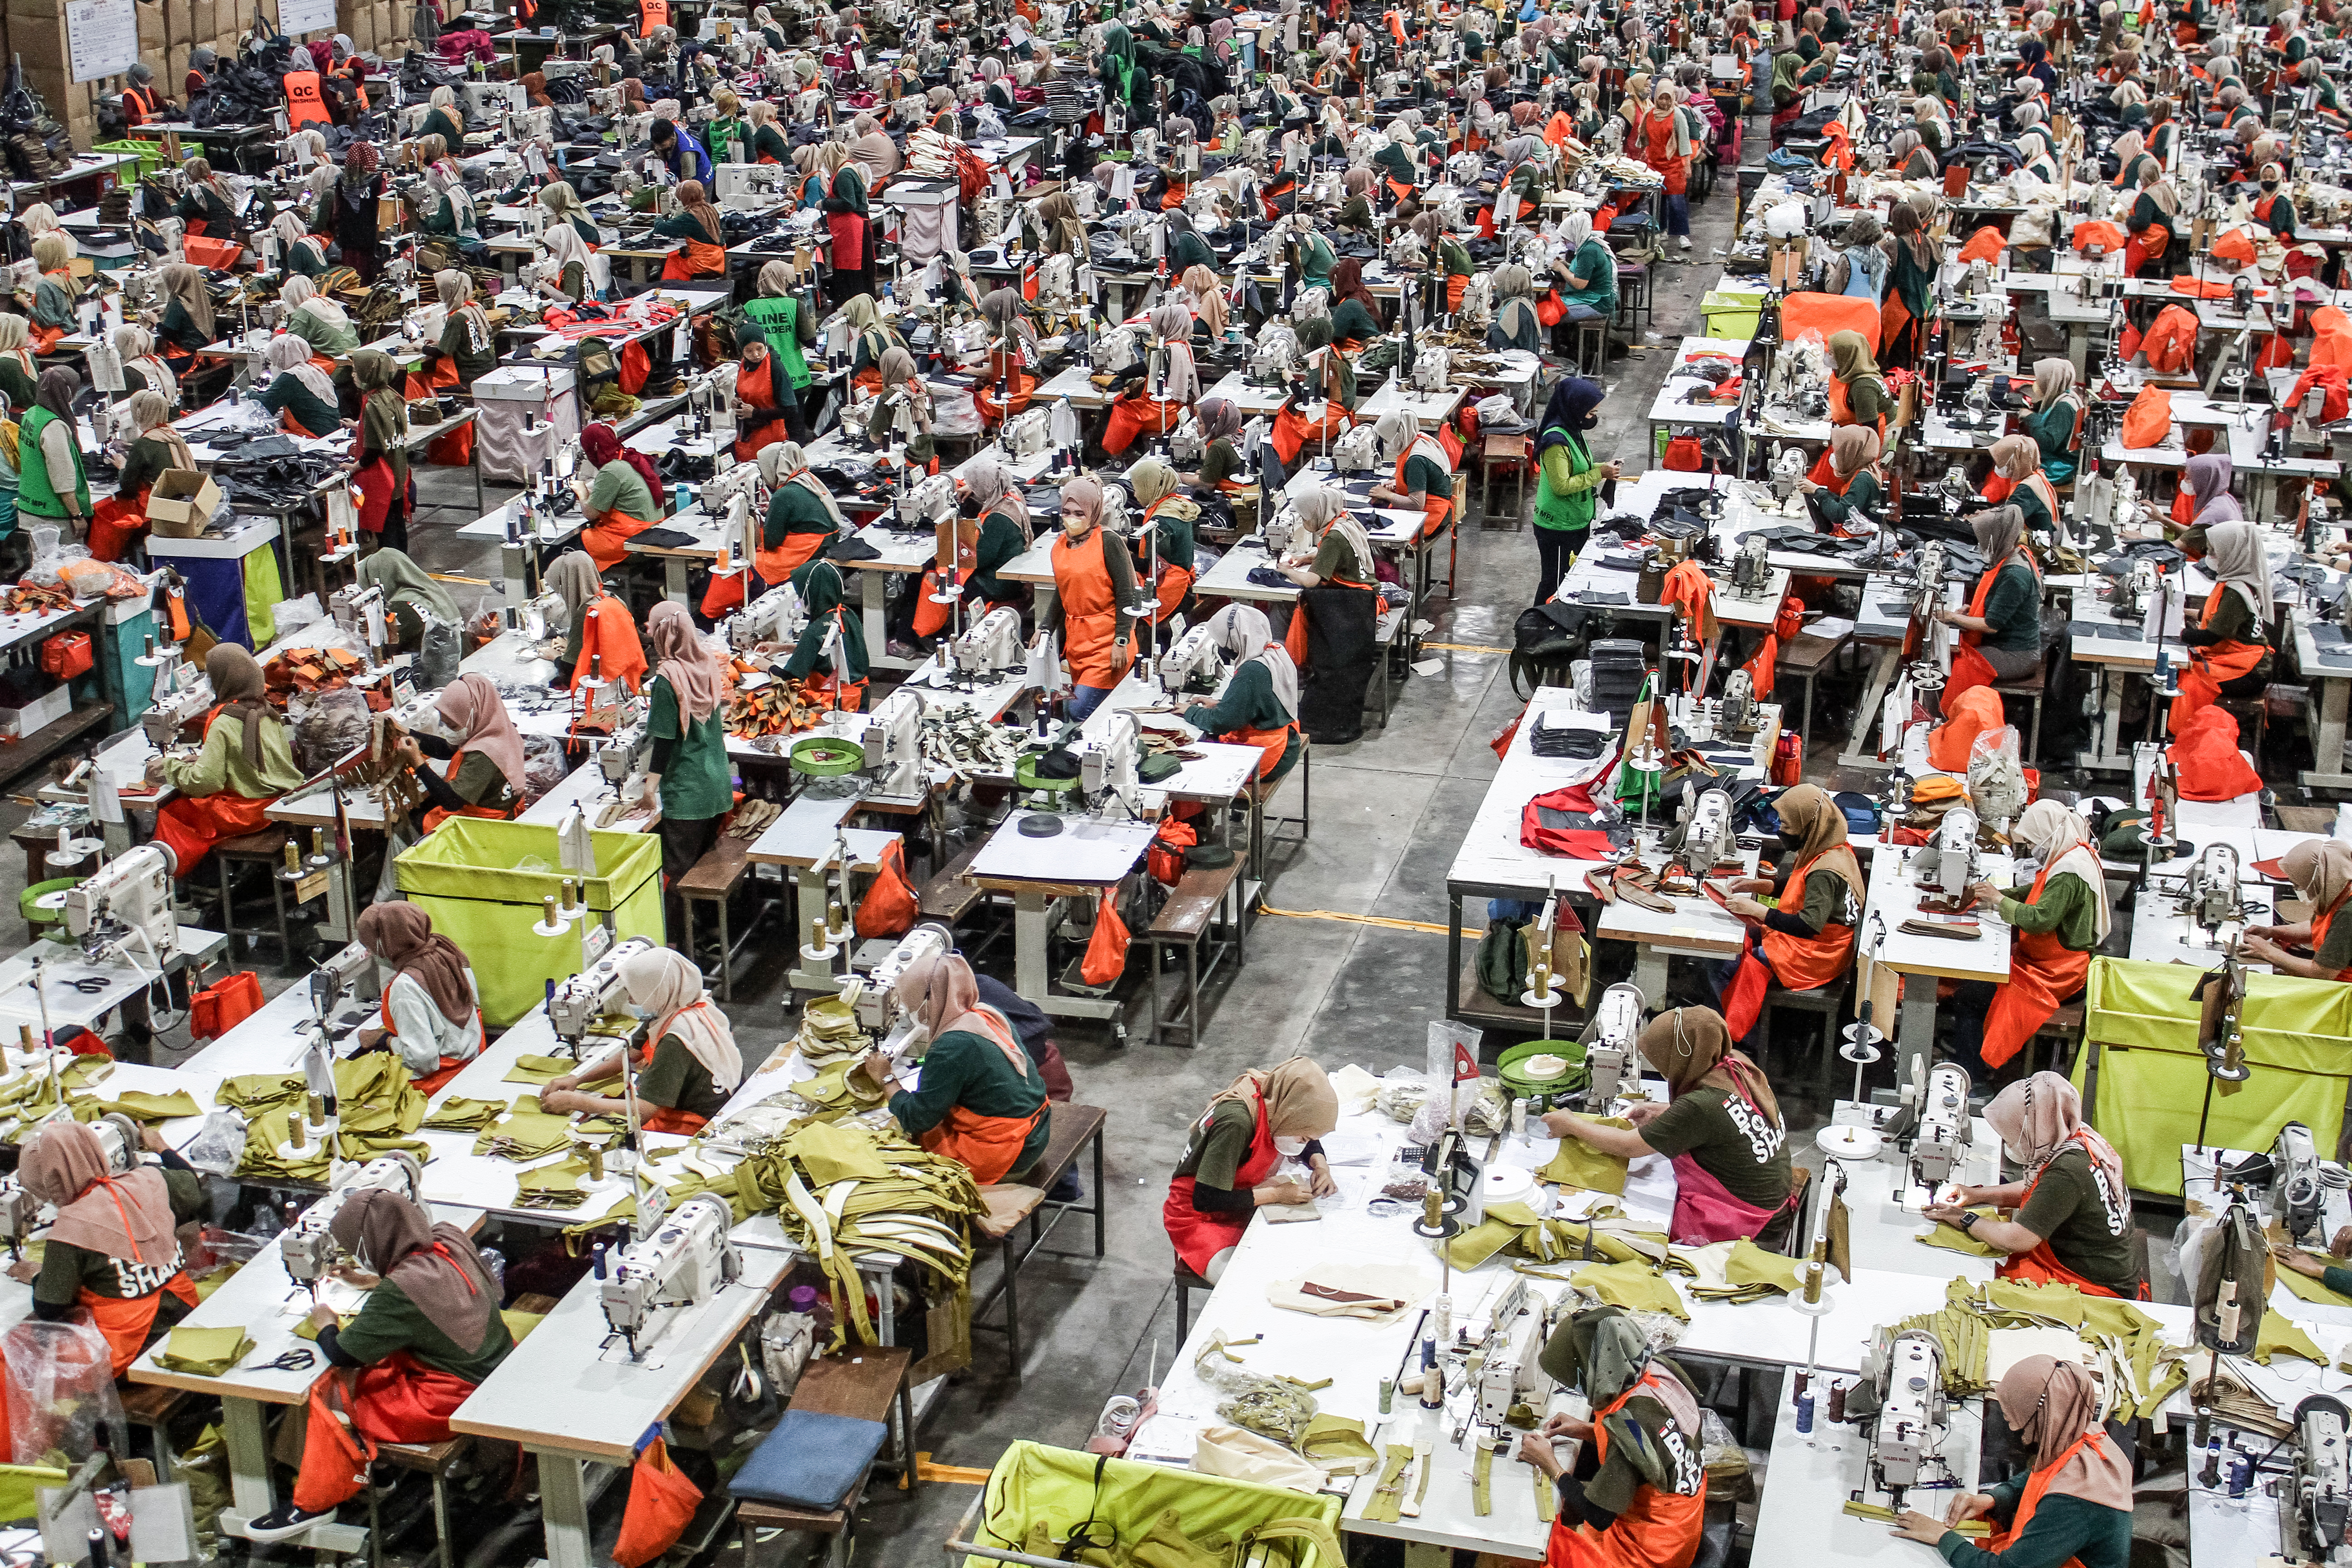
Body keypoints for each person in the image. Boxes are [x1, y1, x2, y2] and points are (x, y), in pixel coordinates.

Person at [250, 1190, 515, 1541]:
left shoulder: (402, 1289)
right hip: (497, 1363)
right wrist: (373, 1281)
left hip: (452, 1397)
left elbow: (344, 1353)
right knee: (379, 1365)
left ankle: (316, 1502)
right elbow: (442, 1290)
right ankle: (380, 1475)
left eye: (356, 1248)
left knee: (330, 1393)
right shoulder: (449, 1238)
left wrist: (325, 1323)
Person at [1545, 1005, 1796, 1244]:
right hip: (1774, 1202)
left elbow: (1629, 1147)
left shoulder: (1700, 1105)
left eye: (1663, 1061)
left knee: (1626, 1227)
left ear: (1680, 1057)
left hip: (1750, 1222)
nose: (1663, 1070)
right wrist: (1665, 1111)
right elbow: (1728, 1117)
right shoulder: (1736, 1065)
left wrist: (1571, 1124)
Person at [1890, 1360, 2133, 1568]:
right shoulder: (2085, 1435)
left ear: (2038, 1413)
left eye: (2012, 1412)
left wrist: (1943, 1538)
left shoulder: (2075, 1503)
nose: (2007, 1419)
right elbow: (2044, 1474)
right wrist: (1993, 1498)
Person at [1519, 1309, 1708, 1568]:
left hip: (1649, 1555)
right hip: (1681, 1531)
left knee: (1531, 1551)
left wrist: (1551, 1465)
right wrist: (1589, 1430)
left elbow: (1599, 1516)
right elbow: (1657, 1448)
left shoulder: (1631, 1424)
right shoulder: (1659, 1375)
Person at [1921, 1072, 2138, 1298]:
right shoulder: (2079, 1138)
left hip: (2096, 1289)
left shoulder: (2068, 1170)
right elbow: (2045, 1193)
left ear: (2035, 1125)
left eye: (2013, 1132)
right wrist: (1978, 1195)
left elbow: (2017, 1239)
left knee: (1989, 1294)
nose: (2010, 1140)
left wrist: (1964, 1219)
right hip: (2111, 1270)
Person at [20, 1119, 201, 1374]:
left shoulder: (71, 1229)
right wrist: (161, 1147)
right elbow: (191, 1183)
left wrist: (37, 1276)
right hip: (185, 1313)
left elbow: (50, 1308)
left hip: (133, 1346)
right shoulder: (150, 1179)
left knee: (21, 1363)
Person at [1947, 801, 2113, 1077]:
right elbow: (2038, 889)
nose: (2036, 850)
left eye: (2037, 842)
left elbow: (2041, 920)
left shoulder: (2069, 873)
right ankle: (1970, 1048)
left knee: (1971, 996)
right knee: (1977, 985)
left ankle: (1973, 1074)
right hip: (2057, 961)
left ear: (2050, 834)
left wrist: (1999, 901)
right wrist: (1998, 896)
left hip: (2058, 974)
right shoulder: (2075, 852)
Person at [856, 951, 1050, 1185]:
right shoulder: (987, 1014)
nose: (909, 1010)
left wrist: (885, 1078)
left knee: (900, 1150)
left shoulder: (952, 1046)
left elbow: (917, 1118)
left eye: (912, 1002)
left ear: (930, 1000)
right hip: (1036, 1131)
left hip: (1005, 1152)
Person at [1711, 784, 1867, 1043]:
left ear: (1808, 825)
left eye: (1787, 824)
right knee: (1733, 941)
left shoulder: (1825, 871)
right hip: (1823, 944)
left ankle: (1745, 1040)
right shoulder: (1832, 848)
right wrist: (1764, 886)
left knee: (1726, 962)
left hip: (1817, 954)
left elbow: (1808, 925)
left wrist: (1758, 910)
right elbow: (1804, 888)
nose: (1781, 830)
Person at [1162, 1058, 1338, 1282]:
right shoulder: (1237, 1122)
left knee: (1299, 1253)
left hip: (1238, 1193)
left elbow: (1305, 1130)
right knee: (1243, 1279)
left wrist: (1320, 1165)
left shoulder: (1275, 1097)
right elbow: (1206, 1199)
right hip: (1198, 1214)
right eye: (1302, 1139)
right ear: (1288, 1112)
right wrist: (1275, 1195)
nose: (1303, 1144)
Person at [540, 946, 740, 1132]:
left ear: (657, 990)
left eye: (634, 992)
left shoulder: (676, 1040)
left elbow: (644, 1111)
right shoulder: (681, 1007)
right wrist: (577, 1079)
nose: (629, 1000)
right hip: (718, 1099)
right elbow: (632, 1054)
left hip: (698, 1119)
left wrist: (576, 1102)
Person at [148, 645, 304, 876]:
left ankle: (190, 883)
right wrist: (207, 759)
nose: (208, 681)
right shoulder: (266, 710)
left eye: (210, 676)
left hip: (247, 812)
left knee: (174, 811)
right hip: (278, 800)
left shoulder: (224, 720)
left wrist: (170, 768)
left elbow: (206, 782)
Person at [644, 600, 732, 882]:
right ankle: (710, 924)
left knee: (679, 873)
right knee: (703, 863)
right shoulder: (708, 666)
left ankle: (682, 925)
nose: (647, 630)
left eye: (651, 625)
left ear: (663, 634)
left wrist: (649, 791)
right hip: (717, 783)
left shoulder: (668, 680)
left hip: (688, 793)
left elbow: (664, 743)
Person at [353, 902, 482, 1092]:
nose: (372, 952)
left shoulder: (405, 987)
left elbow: (422, 1059)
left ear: (386, 942)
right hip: (472, 1060)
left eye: (371, 946)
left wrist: (383, 1039)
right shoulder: (447, 952)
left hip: (438, 1083)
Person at [1040, 477, 1137, 720]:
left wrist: (1122, 640)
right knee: (1074, 707)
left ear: (1093, 511)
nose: (1072, 518)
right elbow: (1063, 591)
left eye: (1079, 513)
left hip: (1109, 641)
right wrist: (1044, 628)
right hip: (1079, 642)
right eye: (1066, 512)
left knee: (1079, 709)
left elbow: (1127, 595)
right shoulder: (1060, 545)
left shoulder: (1108, 542)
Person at [1180, 605, 1302, 782]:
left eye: (1223, 640)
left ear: (1236, 637)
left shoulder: (1252, 670)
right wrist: (1221, 705)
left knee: (1189, 764)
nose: (1223, 646)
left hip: (1266, 756)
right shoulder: (1274, 653)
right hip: (1286, 743)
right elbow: (1262, 702)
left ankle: (1200, 810)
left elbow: (1222, 722)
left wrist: (1190, 712)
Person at [2171, 520, 2274, 730]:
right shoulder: (2236, 582)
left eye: (2214, 552)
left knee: (2188, 679)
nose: (2209, 556)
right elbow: (2223, 617)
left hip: (2249, 671)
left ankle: (2183, 734)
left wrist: (2172, 632)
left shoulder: (2235, 592)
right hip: (2238, 659)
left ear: (2232, 554)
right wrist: (2185, 614)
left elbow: (2210, 637)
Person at [397, 673, 525, 830]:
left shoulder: (484, 754)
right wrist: (407, 732)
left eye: (454, 726)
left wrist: (417, 761)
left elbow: (452, 802)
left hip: (485, 825)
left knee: (410, 821)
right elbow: (447, 749)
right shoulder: (495, 729)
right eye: (445, 723)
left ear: (474, 715)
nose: (448, 731)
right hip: (491, 806)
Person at [1936, 505, 2044, 684]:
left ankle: (1946, 710)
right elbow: (2003, 606)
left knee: (1951, 665)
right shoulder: (2013, 555)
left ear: (1995, 538)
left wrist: (1951, 617)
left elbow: (1992, 625)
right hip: (2005, 645)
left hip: (2016, 654)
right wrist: (1969, 613)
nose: (1980, 543)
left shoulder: (2014, 574)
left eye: (1983, 538)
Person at [1532, 376, 1616, 603]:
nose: (1593, 418)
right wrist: (1600, 474)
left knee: (1571, 580)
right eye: (1591, 413)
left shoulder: (1573, 432)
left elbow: (1581, 468)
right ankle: (1536, 627)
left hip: (1577, 520)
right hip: (1557, 526)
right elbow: (1562, 486)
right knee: (1554, 581)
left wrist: (1604, 468)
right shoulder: (1556, 442)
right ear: (1575, 408)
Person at [88, 390, 191, 563]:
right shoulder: (170, 434)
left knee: (103, 513)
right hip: (174, 502)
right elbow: (151, 448)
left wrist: (122, 466)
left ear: (140, 412)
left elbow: (128, 487)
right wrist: (131, 447)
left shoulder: (145, 445)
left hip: (152, 511)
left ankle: (102, 562)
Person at [2243, 838, 2352, 980]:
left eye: (2300, 886)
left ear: (2319, 879)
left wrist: (2267, 952)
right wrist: (2271, 932)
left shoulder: (2348, 913)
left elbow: (2321, 973)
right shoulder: (2340, 891)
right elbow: (2322, 929)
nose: (2298, 890)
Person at [1102, 303, 1199, 458]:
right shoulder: (1184, 344)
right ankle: (1132, 451)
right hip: (1178, 407)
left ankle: (1118, 457)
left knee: (1119, 411)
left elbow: (1144, 367)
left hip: (1163, 413)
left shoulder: (1167, 350)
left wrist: (1120, 374)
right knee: (1131, 403)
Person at [739, 260, 818, 442]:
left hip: (763, 380)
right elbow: (811, 341)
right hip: (796, 376)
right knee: (795, 430)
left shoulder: (749, 308)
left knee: (767, 431)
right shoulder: (794, 304)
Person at [784, 558, 868, 711]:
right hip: (860, 698)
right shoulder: (847, 614)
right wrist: (780, 648)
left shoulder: (815, 630)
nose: (799, 600)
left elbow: (790, 678)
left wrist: (766, 666)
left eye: (800, 594)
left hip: (833, 705)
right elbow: (830, 650)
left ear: (811, 593)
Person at [576, 421, 663, 568]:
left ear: (595, 448)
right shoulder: (628, 458)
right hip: (652, 531)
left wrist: (582, 492)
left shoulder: (611, 470)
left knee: (559, 555)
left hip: (629, 540)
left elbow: (590, 514)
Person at [350, 351, 410, 554]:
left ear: (368, 374)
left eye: (355, 372)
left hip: (382, 479)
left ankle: (392, 571)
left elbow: (374, 451)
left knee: (387, 532)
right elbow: (385, 430)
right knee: (398, 525)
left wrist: (354, 467)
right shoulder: (391, 396)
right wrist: (359, 426)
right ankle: (404, 565)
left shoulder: (372, 404)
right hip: (398, 471)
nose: (353, 376)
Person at [18, 369, 87, 543]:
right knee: (66, 567)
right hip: (54, 518)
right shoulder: (54, 426)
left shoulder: (33, 413)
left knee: (40, 567)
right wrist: (77, 516)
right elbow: (62, 480)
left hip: (29, 507)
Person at [1127, 457, 1197, 623]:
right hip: (1184, 585)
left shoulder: (1161, 523)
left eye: (1137, 489)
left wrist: (1120, 557)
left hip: (1169, 589)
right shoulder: (1174, 504)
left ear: (1149, 487)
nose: (1135, 494)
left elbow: (1155, 565)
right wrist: (1126, 541)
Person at [1367, 408, 1455, 540]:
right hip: (1435, 505)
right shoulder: (1418, 439)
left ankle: (1386, 560)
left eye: (1387, 440)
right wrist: (1399, 483)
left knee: (1374, 534)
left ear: (1400, 434)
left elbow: (1416, 504)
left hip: (1432, 514)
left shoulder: (1416, 460)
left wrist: (1387, 495)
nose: (1386, 444)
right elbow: (1428, 477)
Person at [357, 548, 459, 652]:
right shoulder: (430, 591)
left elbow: (381, 650)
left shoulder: (401, 607)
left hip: (447, 665)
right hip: (461, 658)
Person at [1798, 425, 1887, 536]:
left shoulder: (1863, 479)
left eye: (1839, 452)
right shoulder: (1867, 469)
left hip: (1861, 537)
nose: (1834, 455)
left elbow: (1841, 515)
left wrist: (1818, 491)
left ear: (1851, 452)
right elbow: (1850, 504)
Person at [258, 334, 343, 439]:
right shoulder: (315, 370)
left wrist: (251, 391)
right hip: (332, 433)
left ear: (281, 355)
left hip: (313, 436)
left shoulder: (291, 376)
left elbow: (264, 407)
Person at [819, 143, 873, 305]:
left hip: (851, 231)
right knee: (860, 272)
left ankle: (851, 307)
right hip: (854, 228)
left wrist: (824, 204)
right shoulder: (849, 169)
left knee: (851, 272)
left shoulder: (844, 175)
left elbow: (848, 203)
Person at [2021, 360, 2086, 485]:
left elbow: (2048, 442)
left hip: (2058, 468)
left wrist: (2030, 417)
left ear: (2051, 382)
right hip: (2056, 460)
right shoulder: (2066, 396)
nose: (2036, 384)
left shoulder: (2064, 408)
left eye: (2039, 380)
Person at [430, 270, 495, 392]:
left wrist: (418, 347)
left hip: (469, 378)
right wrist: (442, 341)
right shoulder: (475, 307)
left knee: (428, 381)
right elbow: (468, 340)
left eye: (441, 290)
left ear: (449, 291)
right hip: (489, 369)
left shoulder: (456, 318)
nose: (440, 294)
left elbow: (441, 353)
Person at [653, 178, 728, 280]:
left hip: (703, 263)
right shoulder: (710, 208)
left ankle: (669, 290)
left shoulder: (691, 217)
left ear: (685, 197)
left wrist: (659, 219)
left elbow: (662, 228)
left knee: (673, 261)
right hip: (718, 259)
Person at [1551, 211, 1617, 325]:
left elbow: (1579, 284)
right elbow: (1585, 271)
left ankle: (1546, 343)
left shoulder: (1589, 251)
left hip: (1597, 304)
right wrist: (1566, 265)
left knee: (1548, 314)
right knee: (1548, 307)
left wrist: (1562, 269)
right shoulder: (1588, 244)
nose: (1565, 241)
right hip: (1591, 299)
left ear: (1575, 234)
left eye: (1566, 238)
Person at [1827, 329, 1891, 442]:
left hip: (1878, 433)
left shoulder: (1863, 387)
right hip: (1862, 429)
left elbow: (1871, 432)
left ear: (1846, 357)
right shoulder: (1847, 375)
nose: (1829, 356)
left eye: (1832, 353)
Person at [2122, 162, 2180, 277]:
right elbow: (2178, 208)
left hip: (2149, 242)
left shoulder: (2147, 196)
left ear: (2142, 177)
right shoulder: (2167, 187)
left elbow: (2142, 223)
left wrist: (2128, 220)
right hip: (2164, 242)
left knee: (2126, 265)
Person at [281, 275, 359, 356]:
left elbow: (291, 342)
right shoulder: (327, 301)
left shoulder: (304, 309)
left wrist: (278, 337)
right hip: (355, 353)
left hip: (334, 359)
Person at [649, 117, 713, 185]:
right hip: (678, 170)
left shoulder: (687, 153)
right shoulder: (670, 131)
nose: (658, 148)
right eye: (656, 145)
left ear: (672, 138)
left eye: (662, 145)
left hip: (701, 179)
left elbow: (687, 182)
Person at [418, 84, 464, 148]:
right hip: (458, 151)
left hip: (444, 152)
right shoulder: (458, 114)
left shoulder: (437, 113)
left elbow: (424, 133)